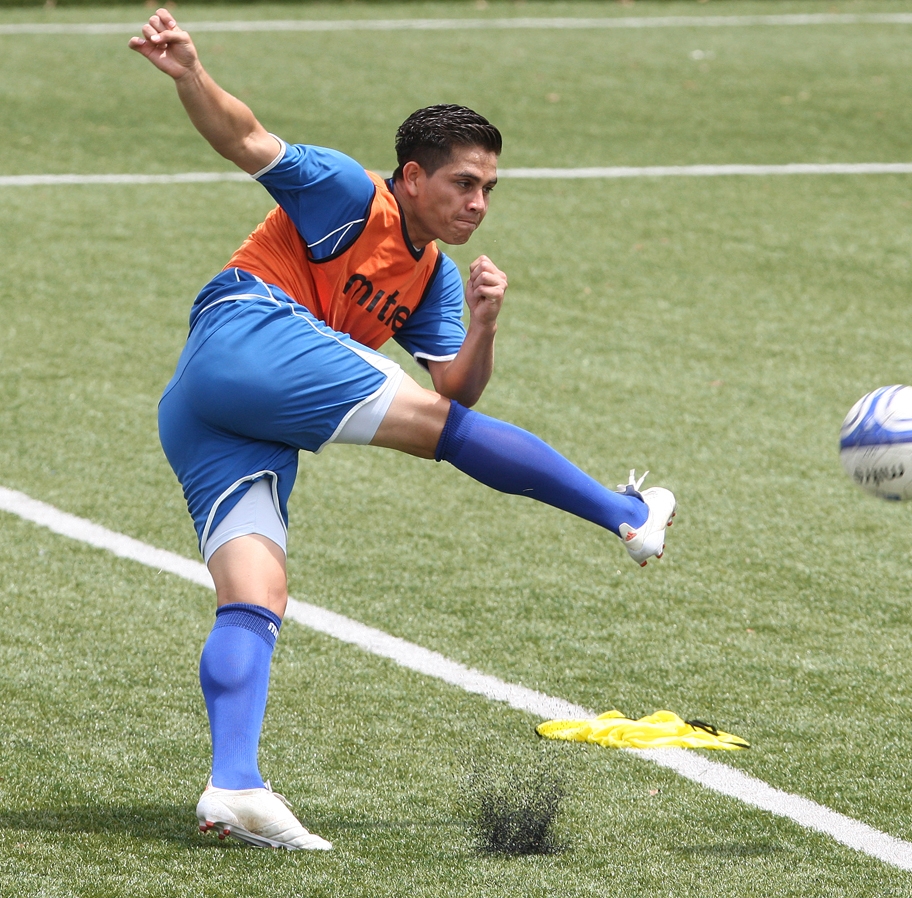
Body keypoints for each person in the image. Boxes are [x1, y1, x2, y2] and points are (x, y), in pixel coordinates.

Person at [130, 9, 676, 851]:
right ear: (413, 178)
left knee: (255, 596)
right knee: (435, 430)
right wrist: (190, 73)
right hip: (248, 332)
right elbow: (245, 139)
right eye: (465, 183)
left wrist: (486, 324)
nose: (480, 202)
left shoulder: (434, 280)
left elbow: (457, 388)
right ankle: (625, 514)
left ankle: (233, 784)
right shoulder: (348, 192)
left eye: (491, 187)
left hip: (211, 408)